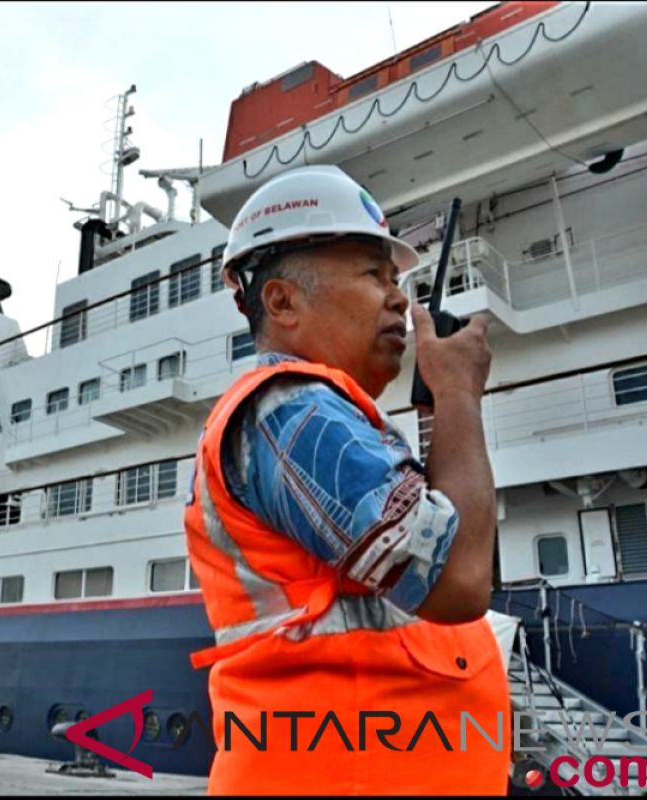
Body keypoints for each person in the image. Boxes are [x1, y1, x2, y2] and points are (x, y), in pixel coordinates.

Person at [184, 165, 508, 795]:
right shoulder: (294, 412)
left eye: (398, 279)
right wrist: (460, 395)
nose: (399, 299)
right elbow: (460, 581)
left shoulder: (327, 420)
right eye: (371, 274)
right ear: (281, 302)